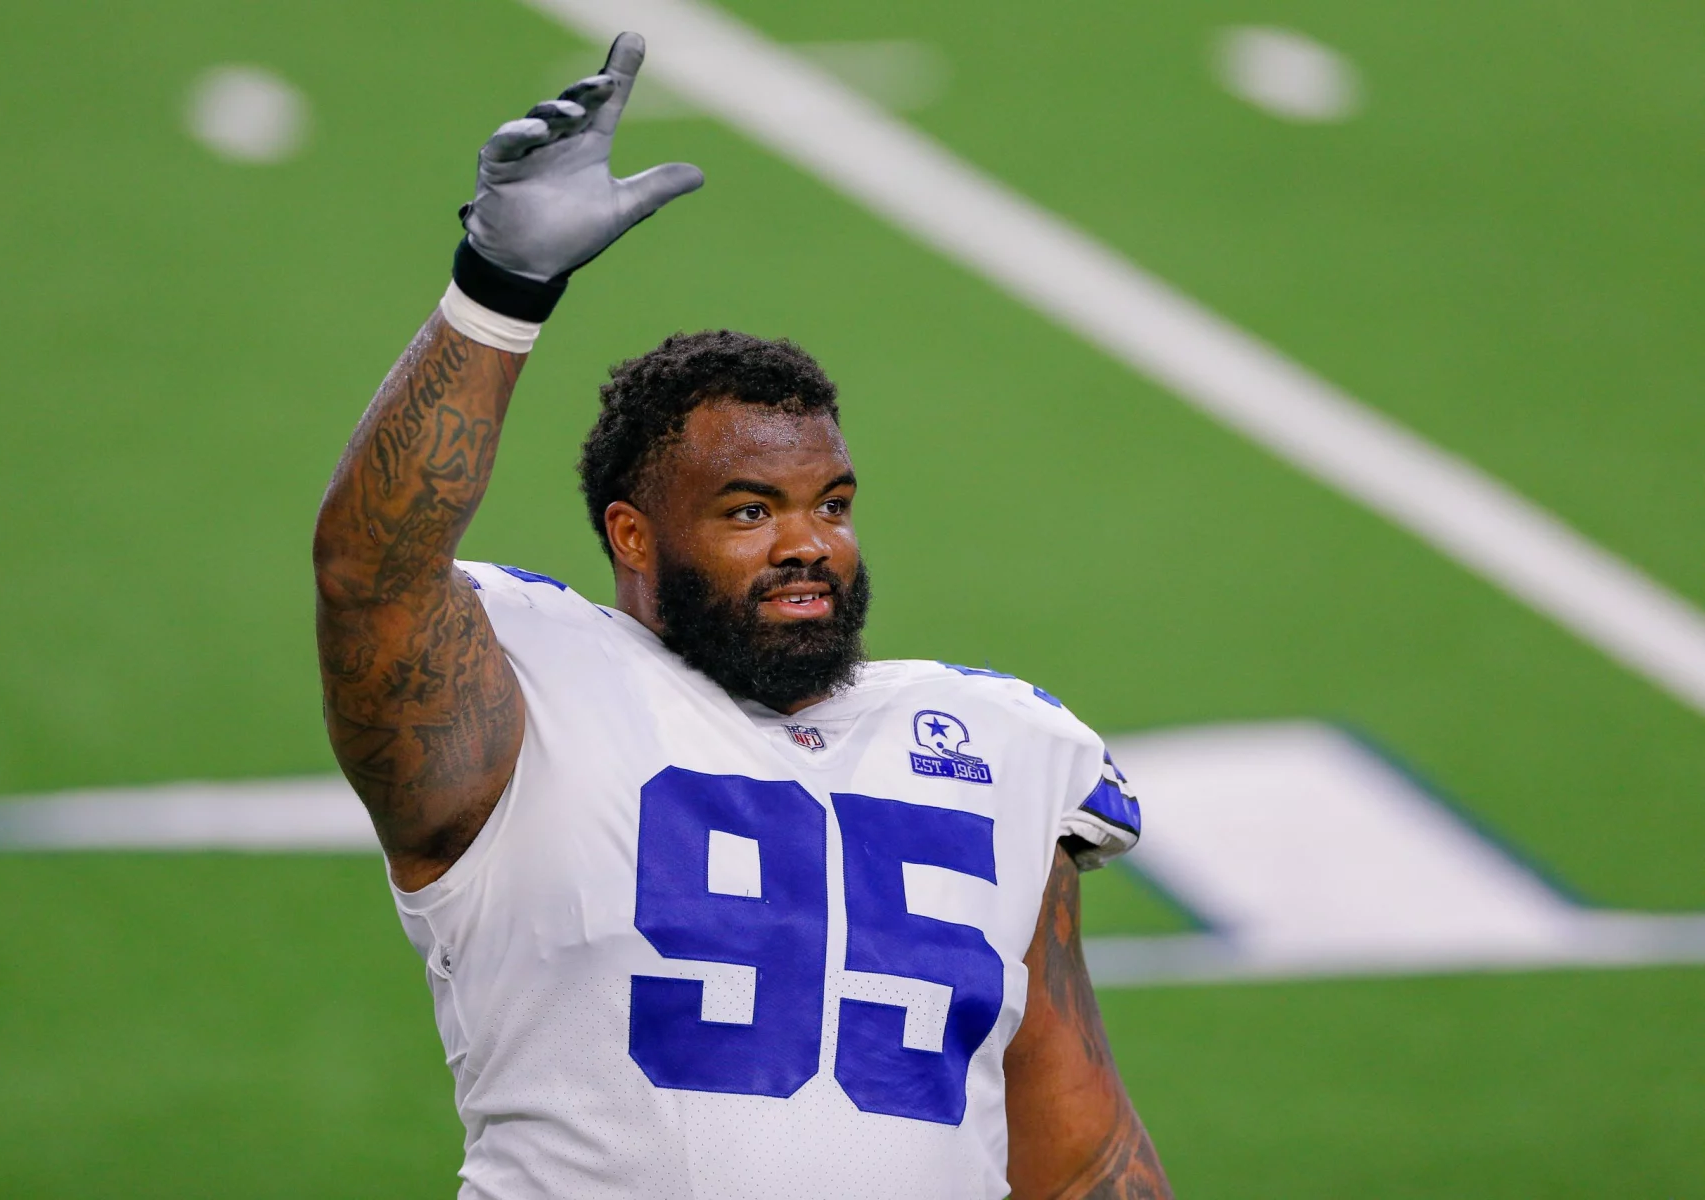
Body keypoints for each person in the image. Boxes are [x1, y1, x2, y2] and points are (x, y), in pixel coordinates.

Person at [313, 32, 1169, 1200]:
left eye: (833, 503)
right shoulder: (530, 703)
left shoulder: (998, 745)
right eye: (749, 508)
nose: (808, 540)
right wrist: (498, 295)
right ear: (632, 537)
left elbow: (1080, 1147)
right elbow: (372, 569)